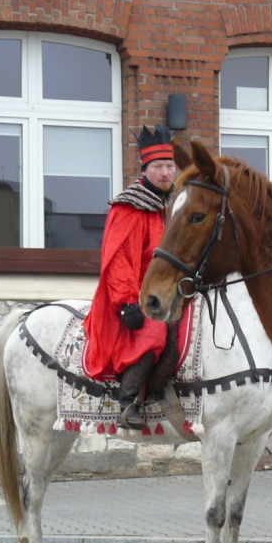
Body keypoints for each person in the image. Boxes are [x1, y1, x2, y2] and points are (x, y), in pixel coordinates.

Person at [83, 125, 176, 430]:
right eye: (159, 167)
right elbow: (117, 260)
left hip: (170, 291)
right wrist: (126, 302)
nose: (166, 173)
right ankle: (128, 403)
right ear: (145, 170)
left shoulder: (171, 207)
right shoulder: (129, 206)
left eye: (170, 166)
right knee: (154, 333)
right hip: (136, 296)